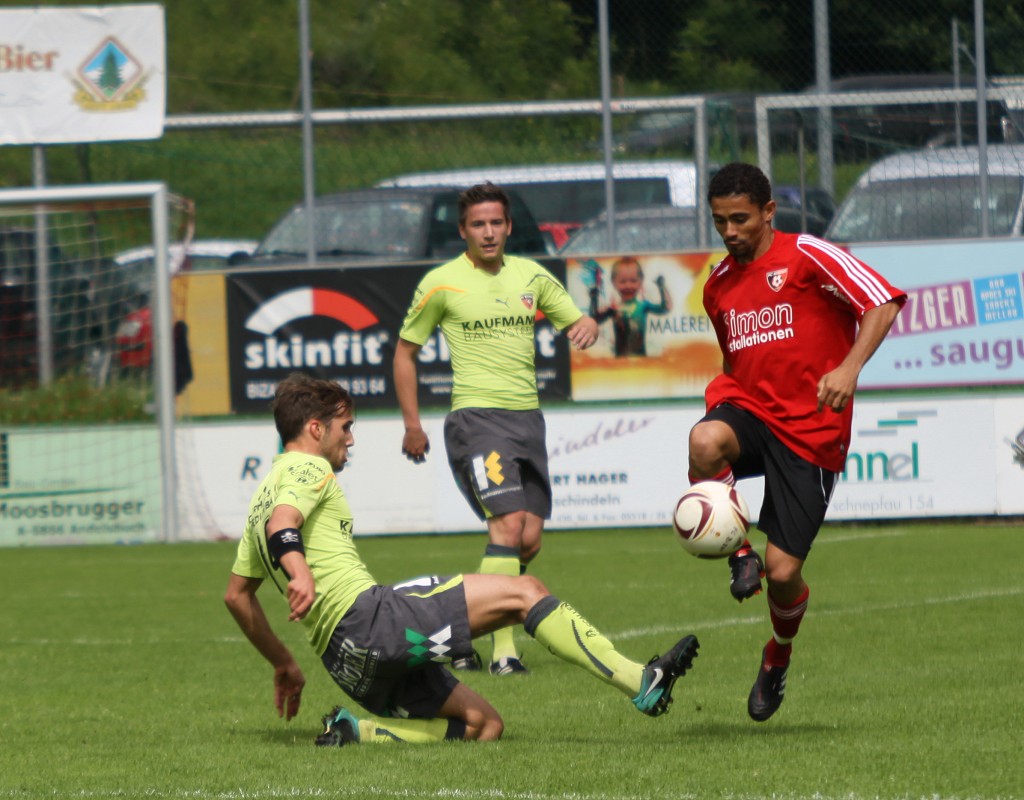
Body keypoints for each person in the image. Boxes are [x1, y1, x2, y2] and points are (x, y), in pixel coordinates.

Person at [224, 372, 699, 746]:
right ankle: (641, 681)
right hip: (371, 621)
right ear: (315, 428)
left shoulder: (259, 499)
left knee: (484, 725)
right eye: (345, 427)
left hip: (346, 664)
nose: (350, 439)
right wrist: (300, 572)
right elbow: (284, 523)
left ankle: (357, 731)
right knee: (525, 592)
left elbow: (237, 596)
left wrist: (284, 664)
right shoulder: (307, 467)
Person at [689, 163, 906, 722]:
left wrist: (849, 368)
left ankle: (777, 655)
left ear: (768, 212)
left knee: (783, 574)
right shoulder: (717, 285)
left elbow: (882, 301)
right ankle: (739, 555)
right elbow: (740, 362)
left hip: (812, 430)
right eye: (720, 221)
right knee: (705, 440)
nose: (730, 231)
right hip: (751, 411)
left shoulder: (808, 254)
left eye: (740, 219)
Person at [393, 182, 599, 675]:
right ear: (463, 230)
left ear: (508, 227)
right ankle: (503, 653)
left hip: (528, 421)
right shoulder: (441, 283)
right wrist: (412, 424)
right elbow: (405, 352)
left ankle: (456, 632)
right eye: (478, 224)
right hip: (476, 421)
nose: (488, 233)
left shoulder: (531, 276)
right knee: (507, 526)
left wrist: (585, 325)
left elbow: (578, 320)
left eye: (496, 223)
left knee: (528, 541)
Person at [589, 256, 672, 357]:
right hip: (621, 361)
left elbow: (665, 308)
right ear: (613, 282)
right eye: (623, 282)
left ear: (641, 281)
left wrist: (661, 286)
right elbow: (594, 319)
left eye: (633, 281)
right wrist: (593, 299)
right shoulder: (614, 309)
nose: (628, 286)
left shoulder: (643, 306)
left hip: (641, 360)